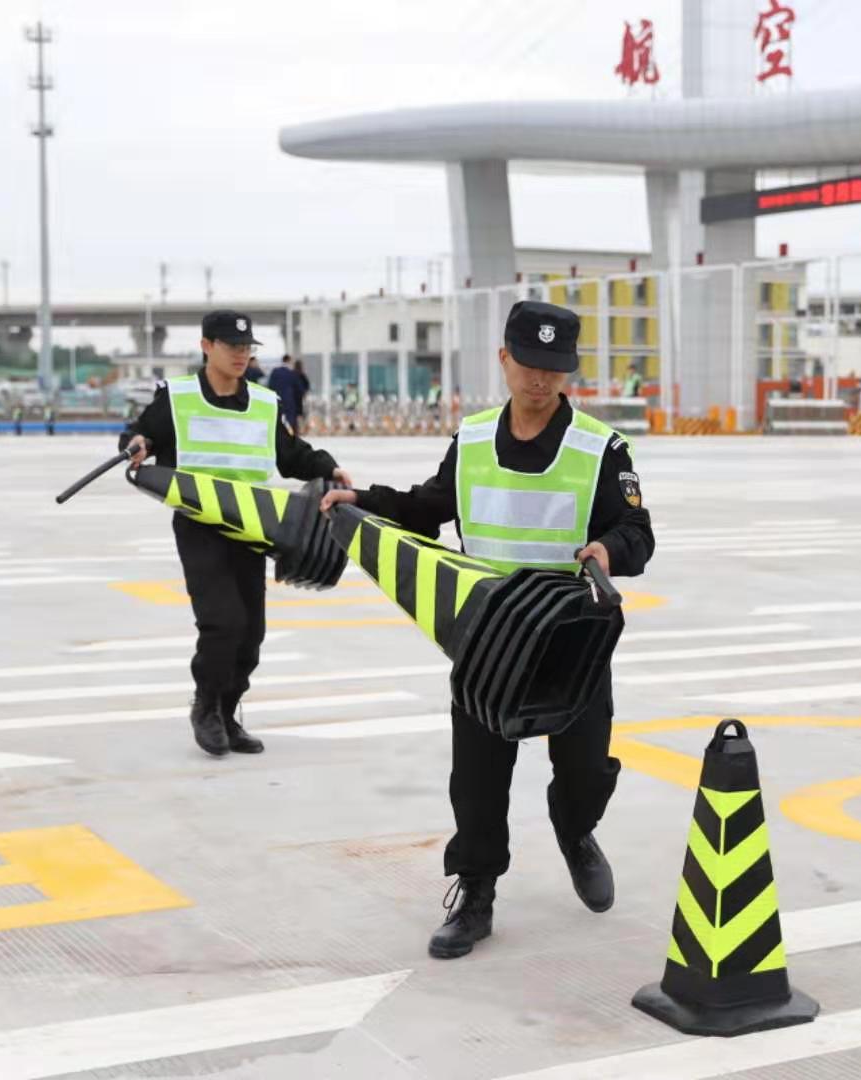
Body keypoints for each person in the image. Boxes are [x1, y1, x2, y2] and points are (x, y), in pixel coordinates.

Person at [320, 300, 654, 960]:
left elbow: (638, 533)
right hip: (489, 637)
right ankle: (475, 890)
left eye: (553, 369)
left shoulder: (601, 448)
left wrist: (606, 551)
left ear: (570, 371)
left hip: (570, 638)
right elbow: (426, 507)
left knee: (584, 770)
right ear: (504, 359)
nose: (539, 380)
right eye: (528, 364)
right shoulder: (472, 439)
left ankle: (576, 830)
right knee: (476, 779)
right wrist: (369, 503)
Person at [121, 310, 352, 757]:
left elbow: (290, 454)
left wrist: (327, 467)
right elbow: (143, 434)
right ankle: (205, 706)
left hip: (251, 527)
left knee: (252, 633)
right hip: (199, 525)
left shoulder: (265, 403)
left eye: (247, 347)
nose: (242, 354)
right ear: (207, 346)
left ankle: (228, 711)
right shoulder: (178, 397)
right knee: (222, 622)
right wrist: (136, 445)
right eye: (232, 346)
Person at [267, 355, 302, 434]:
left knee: (277, 421)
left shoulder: (275, 371)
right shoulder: (292, 373)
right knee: (290, 423)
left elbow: (270, 386)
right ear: (289, 361)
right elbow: (299, 390)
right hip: (290, 402)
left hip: (276, 401)